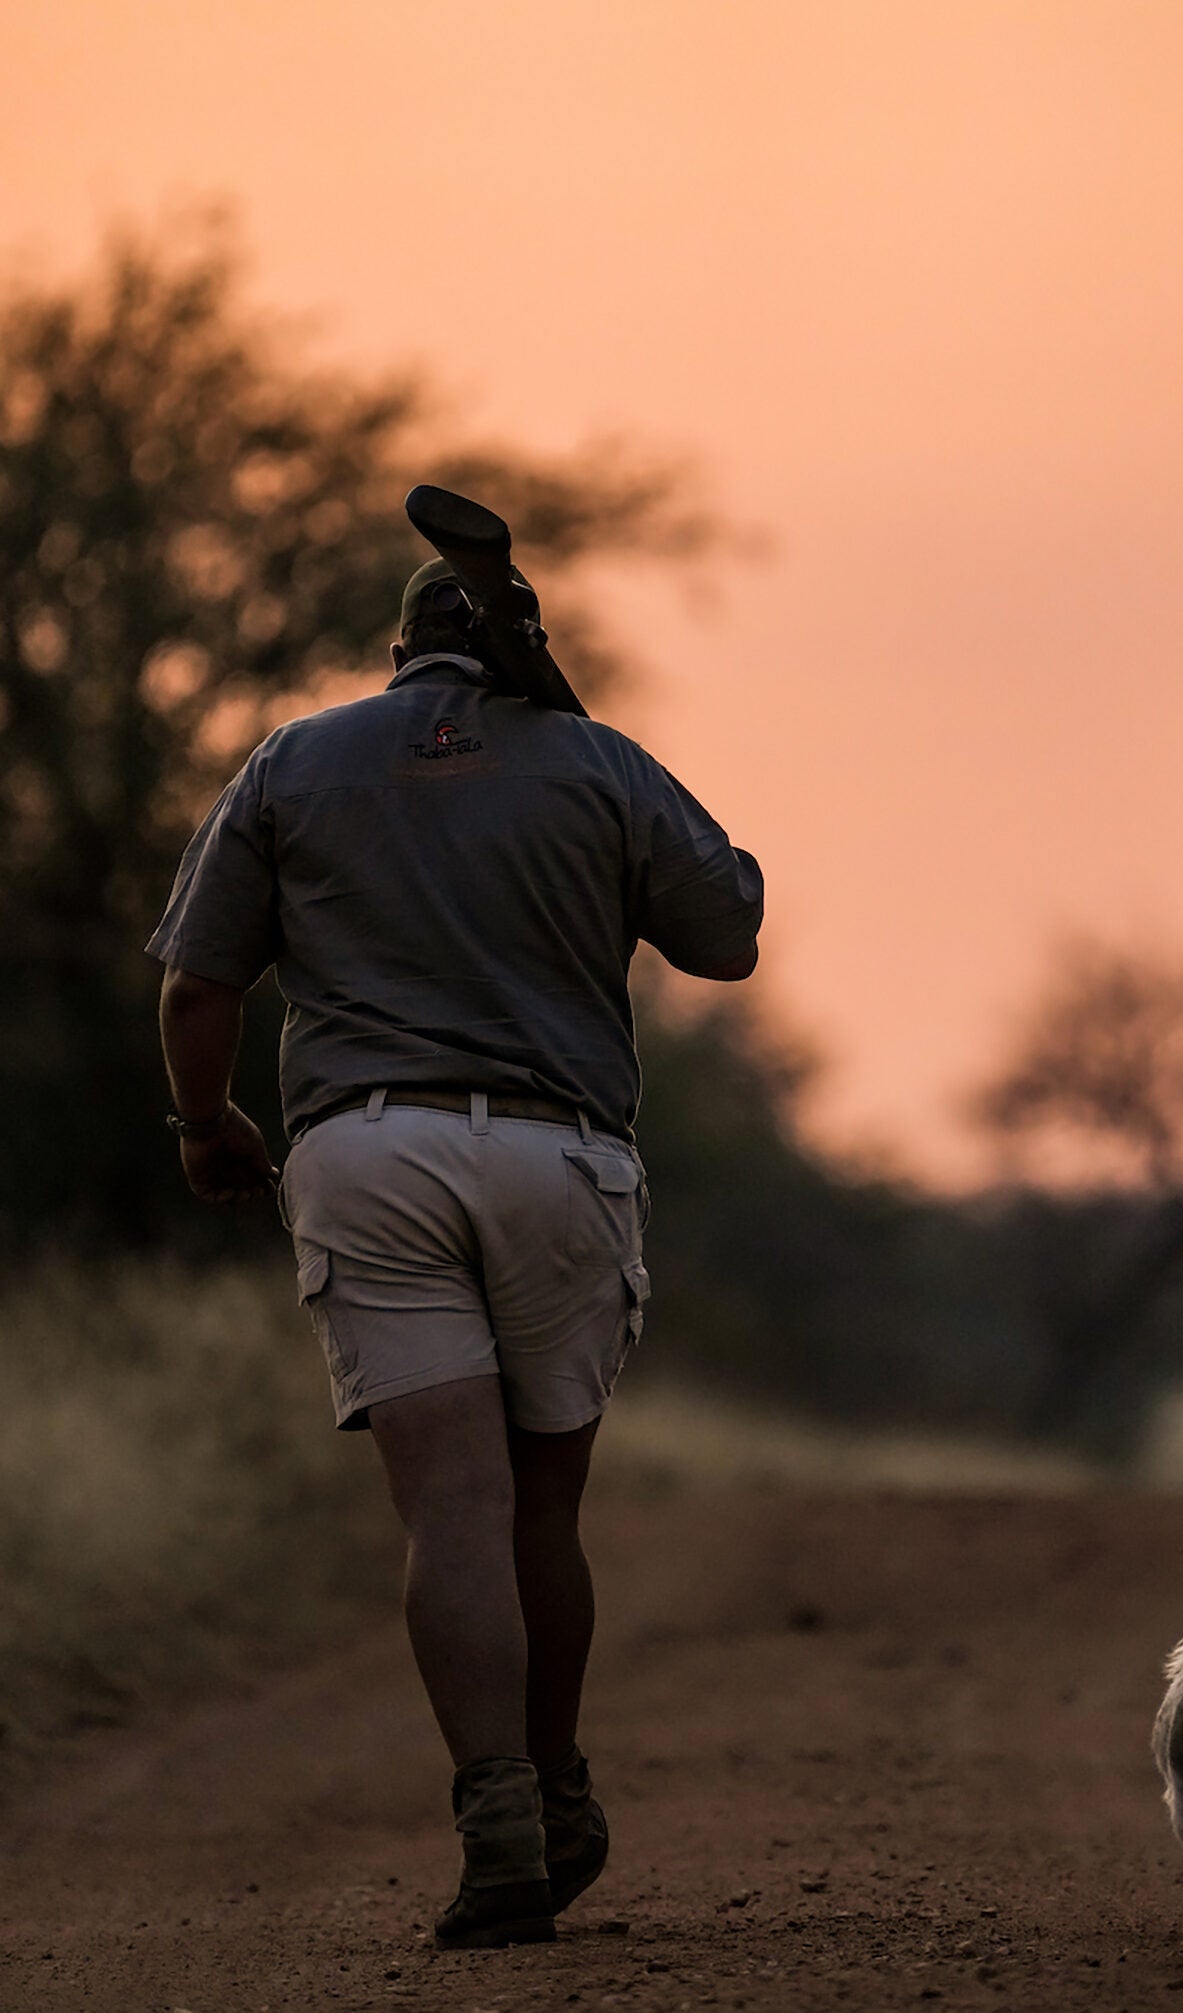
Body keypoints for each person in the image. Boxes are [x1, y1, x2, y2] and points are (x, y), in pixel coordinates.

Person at [147, 554, 763, 1950]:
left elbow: (197, 983)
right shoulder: (596, 760)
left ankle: (493, 1826)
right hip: (558, 1153)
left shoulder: (293, 763)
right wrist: (587, 758)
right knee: (542, 1509)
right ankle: (553, 1793)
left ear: (401, 649)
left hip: (364, 1151)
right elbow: (725, 935)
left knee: (450, 1514)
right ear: (523, 652)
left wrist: (204, 1123)